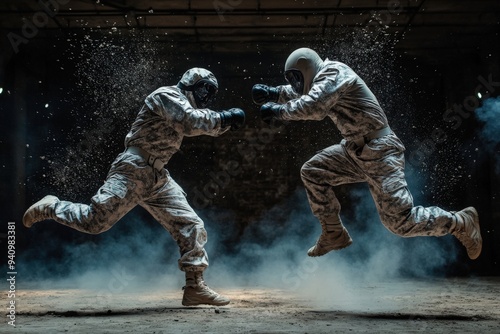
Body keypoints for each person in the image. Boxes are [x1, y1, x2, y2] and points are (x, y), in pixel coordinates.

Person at [23, 67, 246, 306]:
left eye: (210, 92)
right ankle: (51, 207)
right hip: (133, 168)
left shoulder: (185, 105)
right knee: (95, 221)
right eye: (204, 88)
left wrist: (225, 124)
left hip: (157, 176)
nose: (206, 95)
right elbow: (190, 122)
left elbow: (201, 124)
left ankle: (194, 287)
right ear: (190, 82)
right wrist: (225, 118)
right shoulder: (167, 95)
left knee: (191, 225)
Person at [251, 47, 482, 260]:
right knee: (313, 172)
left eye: (296, 78)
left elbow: (314, 105)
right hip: (354, 149)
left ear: (307, 66)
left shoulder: (334, 71)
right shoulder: (323, 79)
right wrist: (274, 93)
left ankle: (461, 221)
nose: (295, 84)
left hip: (381, 150)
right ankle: (333, 233)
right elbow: (308, 94)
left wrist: (279, 111)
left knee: (400, 222)